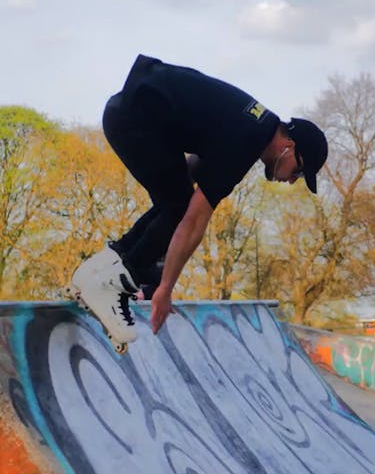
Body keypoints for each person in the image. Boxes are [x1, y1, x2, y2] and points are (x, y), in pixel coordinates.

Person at [69, 54, 328, 344]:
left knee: (174, 201)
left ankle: (98, 270)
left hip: (128, 111)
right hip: (136, 120)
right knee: (179, 208)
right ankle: (114, 284)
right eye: (299, 171)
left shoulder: (253, 122)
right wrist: (165, 288)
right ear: (289, 146)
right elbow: (193, 222)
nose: (292, 180)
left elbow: (191, 170)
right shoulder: (246, 142)